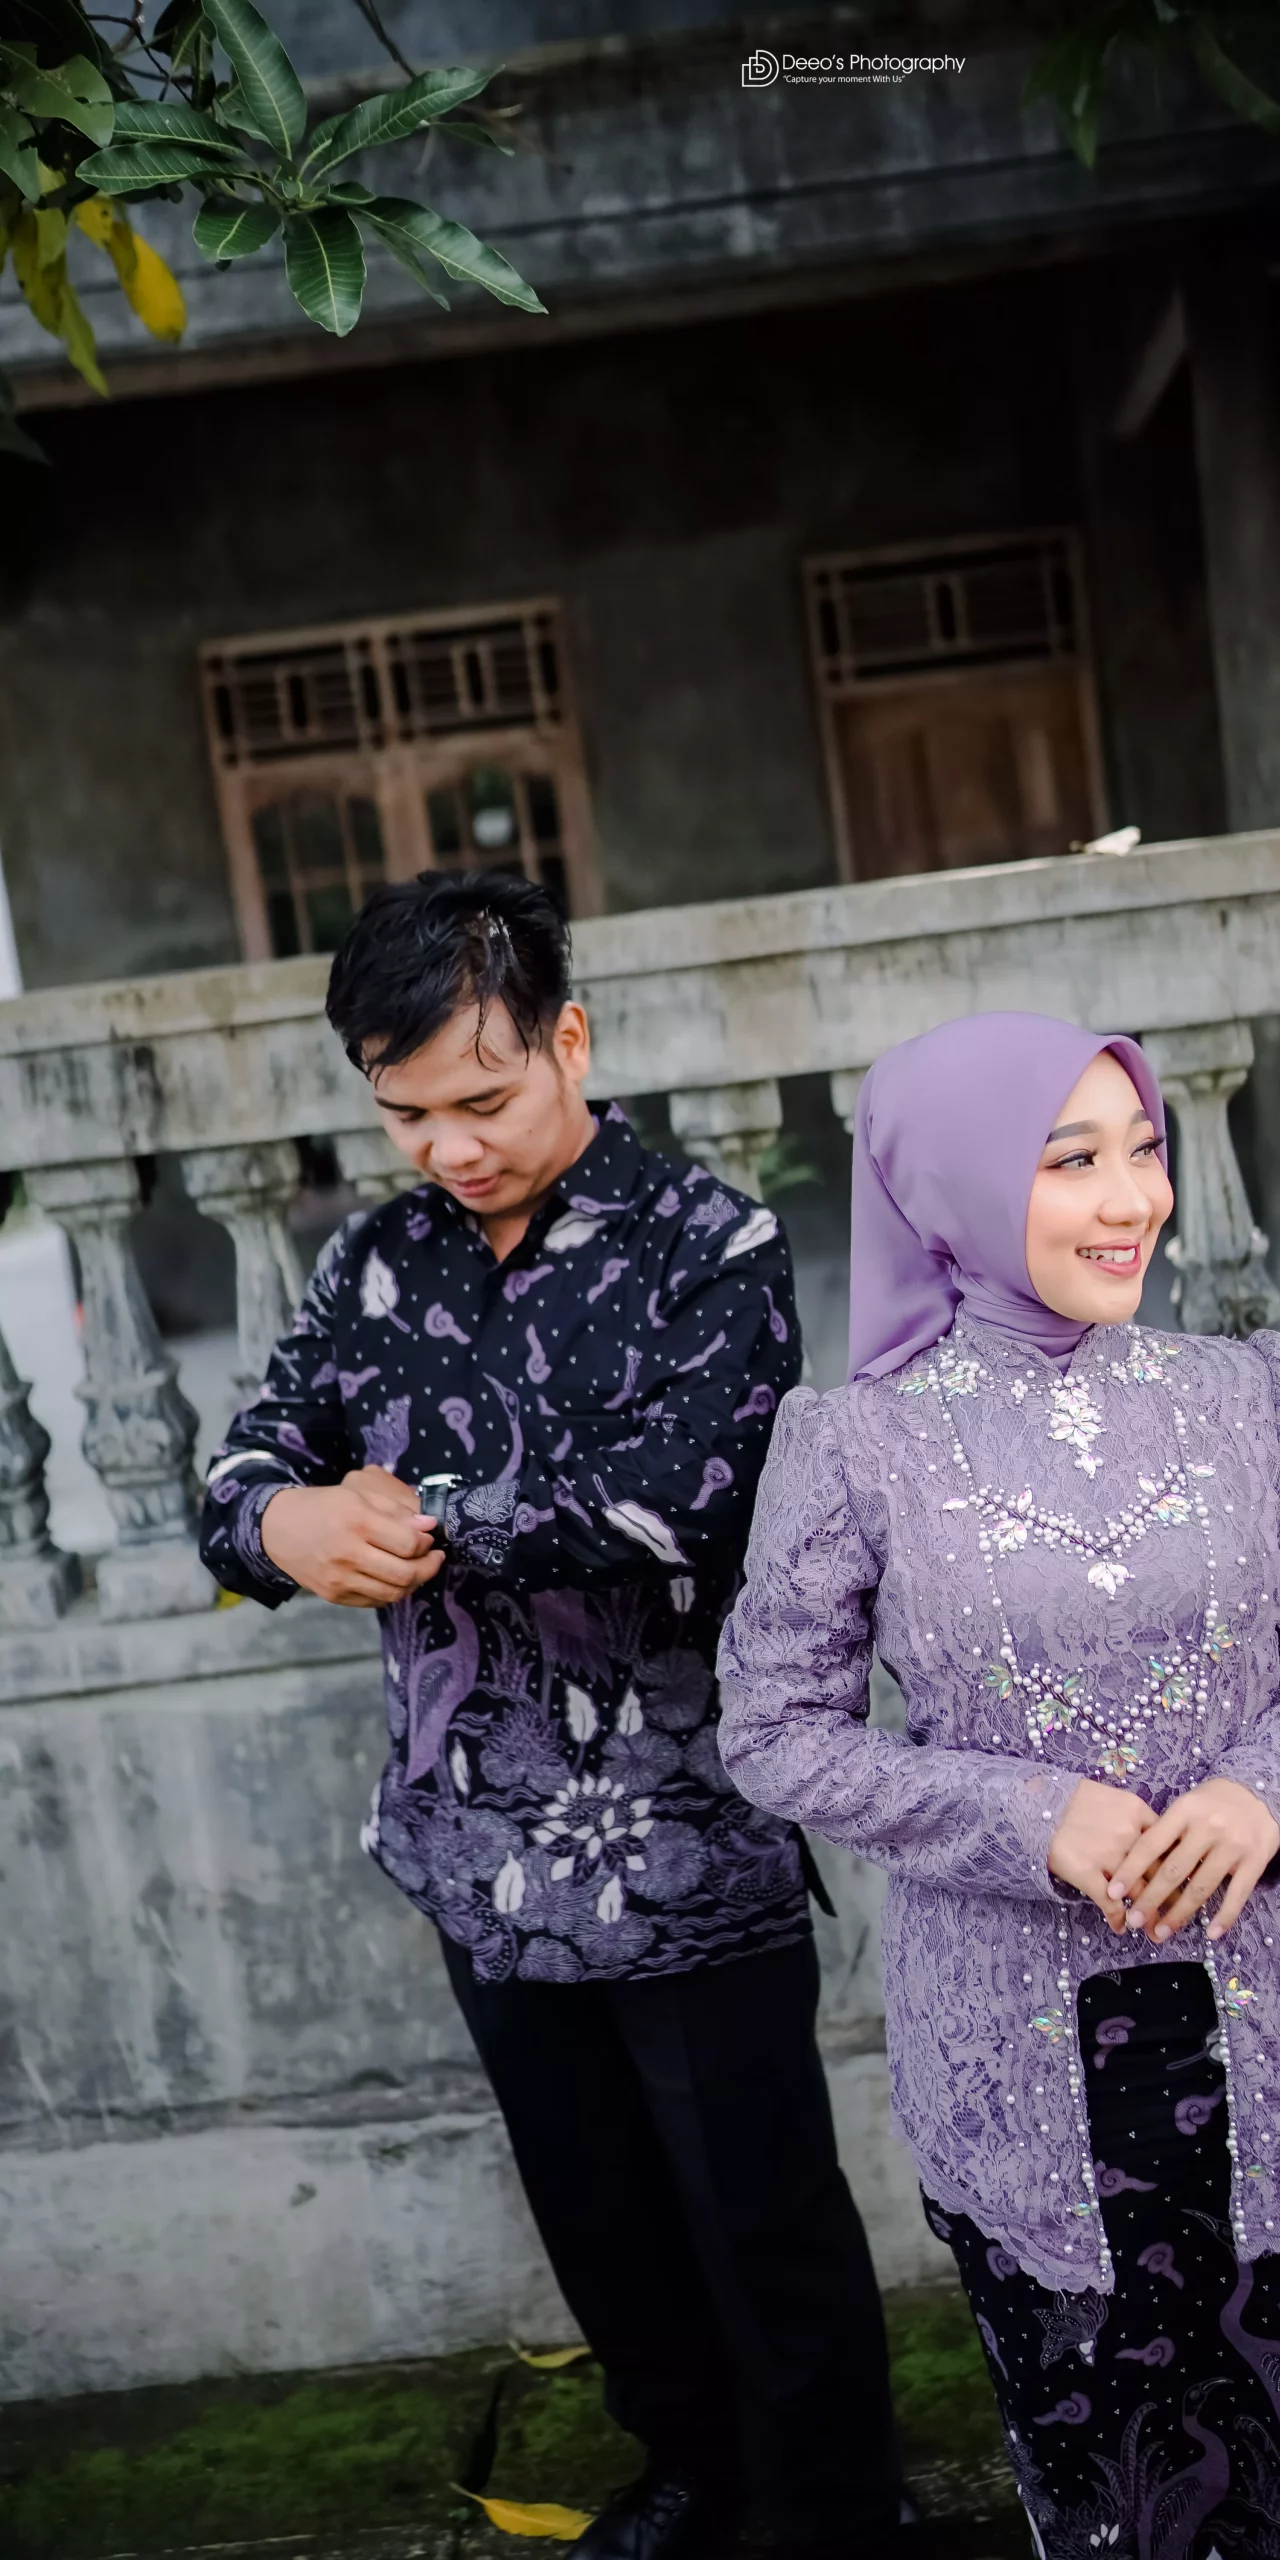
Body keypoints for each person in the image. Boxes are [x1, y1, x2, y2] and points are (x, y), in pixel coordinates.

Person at [199, 873, 904, 2560]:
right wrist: (284, 1522)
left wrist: (427, 1517)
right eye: (405, 1115)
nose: (447, 1147)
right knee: (599, 2217)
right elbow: (245, 1463)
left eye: (483, 1099)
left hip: (685, 1847)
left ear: (567, 1040)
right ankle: (693, 2476)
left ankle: (832, 2513)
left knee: (763, 2219)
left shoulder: (706, 1243)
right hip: (476, 1850)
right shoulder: (370, 1265)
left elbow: (701, 1493)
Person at [717, 1010, 1280, 2560]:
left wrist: (1260, 1791)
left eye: (1142, 1151)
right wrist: (1026, 1818)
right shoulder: (852, 1446)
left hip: (1272, 2017)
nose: (1131, 1198)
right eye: (1071, 1161)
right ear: (949, 1185)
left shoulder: (1243, 1390)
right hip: (1024, 2053)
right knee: (1103, 2494)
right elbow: (775, 1728)